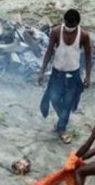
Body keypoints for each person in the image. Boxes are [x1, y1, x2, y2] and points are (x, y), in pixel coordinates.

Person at [38, 9, 92, 144]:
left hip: (73, 74)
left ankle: (62, 127)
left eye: (71, 24)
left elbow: (88, 56)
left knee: (68, 103)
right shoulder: (56, 32)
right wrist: (42, 71)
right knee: (54, 99)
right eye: (66, 23)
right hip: (57, 74)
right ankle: (62, 118)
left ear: (77, 23)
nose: (68, 27)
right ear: (64, 21)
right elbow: (49, 51)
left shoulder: (84, 35)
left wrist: (87, 76)